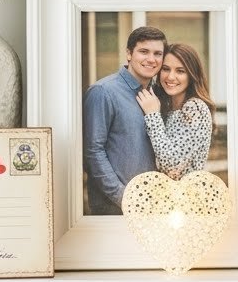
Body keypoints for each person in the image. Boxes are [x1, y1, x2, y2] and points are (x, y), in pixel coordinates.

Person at [82, 26, 167, 214]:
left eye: (157, 53)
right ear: (129, 53)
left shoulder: (157, 95)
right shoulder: (103, 92)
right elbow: (92, 153)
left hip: (152, 207)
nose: (151, 59)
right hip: (114, 208)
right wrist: (124, 198)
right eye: (144, 52)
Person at [135, 43, 215, 178]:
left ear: (192, 75)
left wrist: (153, 115)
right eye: (166, 69)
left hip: (185, 196)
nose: (171, 77)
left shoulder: (195, 108)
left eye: (180, 71)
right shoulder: (167, 106)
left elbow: (173, 165)